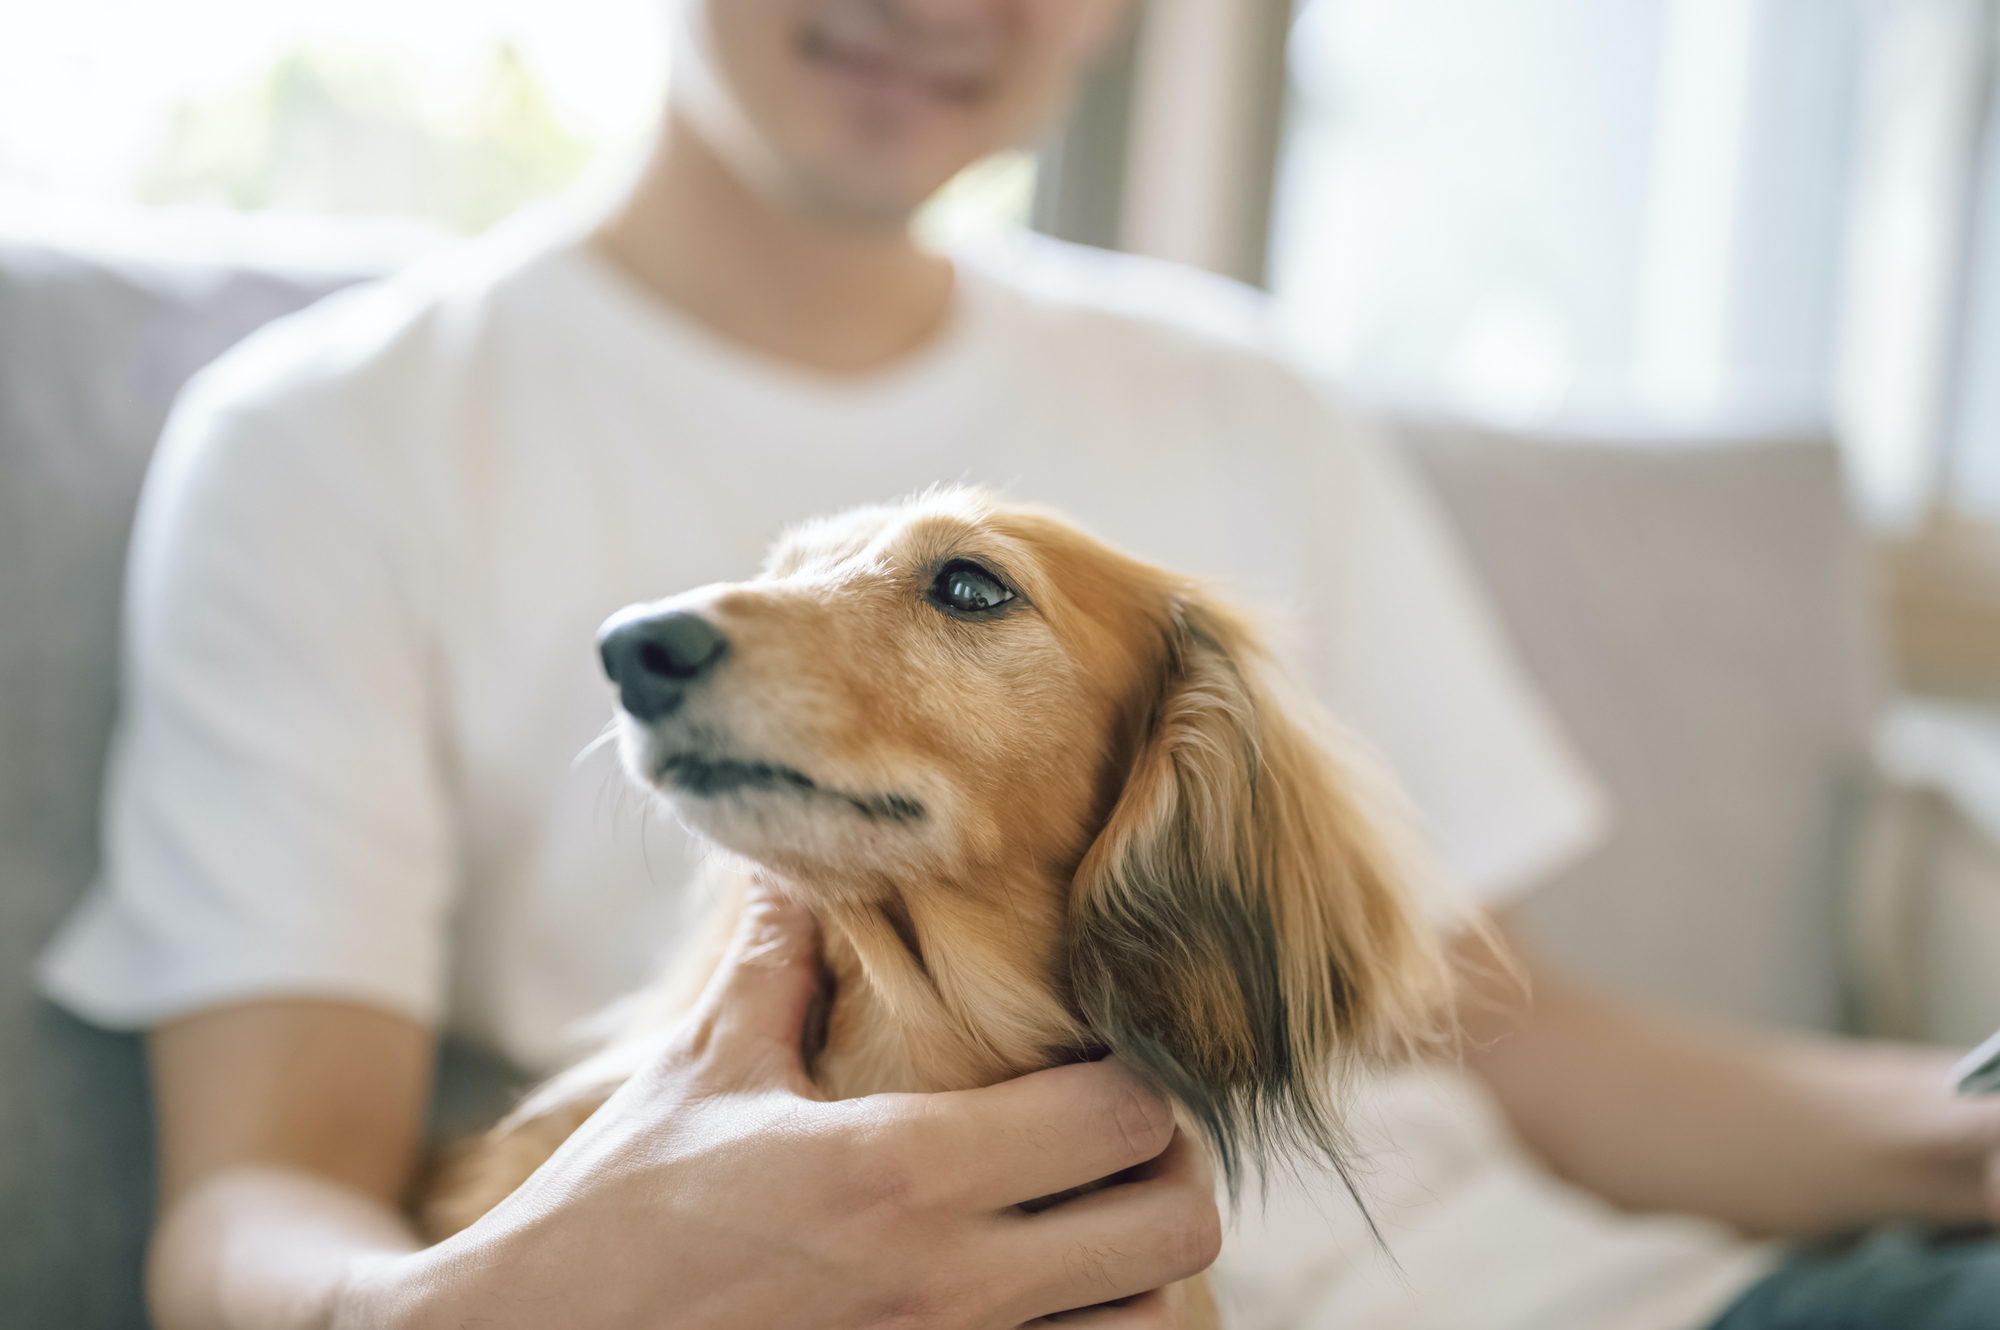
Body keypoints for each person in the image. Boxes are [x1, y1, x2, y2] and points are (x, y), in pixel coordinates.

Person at [34, 1, 2000, 1327]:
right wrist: (534, 1290)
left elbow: (1501, 1023)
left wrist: (1957, 1125)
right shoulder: (336, 434)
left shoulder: (1235, 388)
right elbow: (257, 1195)